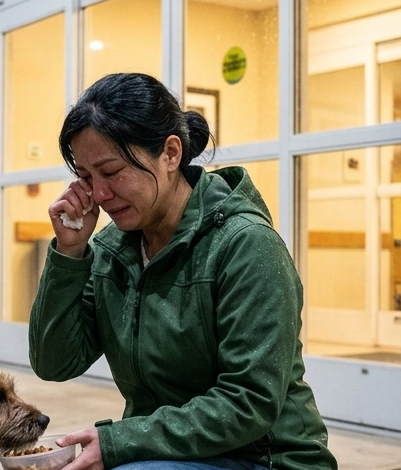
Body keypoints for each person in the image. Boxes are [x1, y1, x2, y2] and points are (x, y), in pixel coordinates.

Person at [28, 73, 338, 470]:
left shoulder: (246, 246)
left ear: (171, 153)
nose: (99, 195)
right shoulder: (112, 252)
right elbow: (55, 363)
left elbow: (249, 402)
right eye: (87, 178)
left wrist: (120, 440)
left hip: (265, 459)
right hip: (167, 453)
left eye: (112, 171)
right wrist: (69, 254)